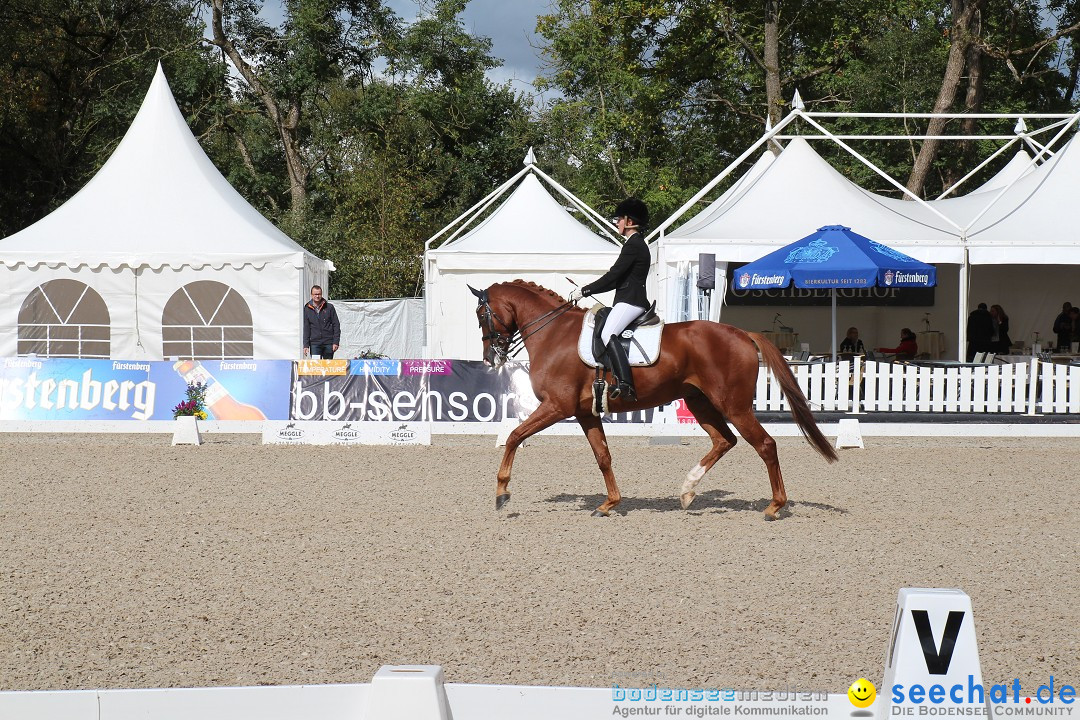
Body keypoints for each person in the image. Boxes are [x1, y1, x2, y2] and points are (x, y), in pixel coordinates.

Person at [569, 197, 651, 400]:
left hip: (631, 300)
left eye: (619, 219)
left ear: (629, 221)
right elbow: (616, 279)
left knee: (607, 333)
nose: (617, 223)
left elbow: (613, 276)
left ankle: (626, 384)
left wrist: (585, 291)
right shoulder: (635, 244)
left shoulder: (634, 245)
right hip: (628, 298)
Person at [303, 285, 340, 359]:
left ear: (321, 294)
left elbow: (336, 325)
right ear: (311, 295)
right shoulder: (307, 308)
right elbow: (306, 327)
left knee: (328, 366)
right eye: (315, 294)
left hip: (328, 343)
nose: (317, 296)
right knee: (316, 367)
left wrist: (336, 342)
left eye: (319, 294)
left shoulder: (329, 307)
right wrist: (306, 345)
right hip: (315, 344)